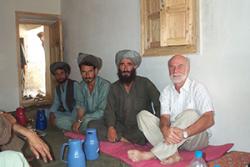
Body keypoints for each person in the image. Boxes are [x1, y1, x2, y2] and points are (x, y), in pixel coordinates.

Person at [127, 54, 215, 164]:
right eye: (171, 67)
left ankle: (151, 154)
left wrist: (185, 133)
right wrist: (164, 129)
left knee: (190, 114)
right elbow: (164, 117)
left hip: (194, 137)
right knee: (142, 116)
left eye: (180, 66)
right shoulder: (166, 91)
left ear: (187, 68)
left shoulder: (198, 88)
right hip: (173, 137)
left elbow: (209, 119)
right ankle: (173, 154)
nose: (175, 70)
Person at [100, 49, 161, 145]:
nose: (125, 68)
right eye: (122, 64)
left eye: (129, 64)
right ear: (118, 67)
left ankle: (120, 138)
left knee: (145, 133)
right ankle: (122, 138)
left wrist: (157, 124)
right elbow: (109, 110)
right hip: (120, 126)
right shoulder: (114, 87)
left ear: (135, 66)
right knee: (93, 125)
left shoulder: (145, 83)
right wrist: (111, 127)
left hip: (140, 128)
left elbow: (159, 103)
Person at [75, 53, 110, 132]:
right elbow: (81, 107)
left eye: (90, 71)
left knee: (89, 123)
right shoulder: (80, 86)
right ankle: (81, 129)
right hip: (85, 118)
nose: (87, 75)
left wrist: (81, 120)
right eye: (83, 72)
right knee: (61, 120)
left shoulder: (105, 85)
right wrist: (78, 119)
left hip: (101, 118)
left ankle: (81, 129)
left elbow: (102, 111)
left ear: (96, 71)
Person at [49, 62, 85, 132]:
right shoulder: (57, 88)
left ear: (67, 74)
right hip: (67, 113)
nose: (59, 76)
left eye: (62, 73)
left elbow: (80, 104)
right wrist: (51, 114)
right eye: (57, 74)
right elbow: (56, 103)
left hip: (77, 113)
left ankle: (74, 127)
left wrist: (77, 119)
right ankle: (70, 125)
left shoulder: (74, 85)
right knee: (47, 113)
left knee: (59, 121)